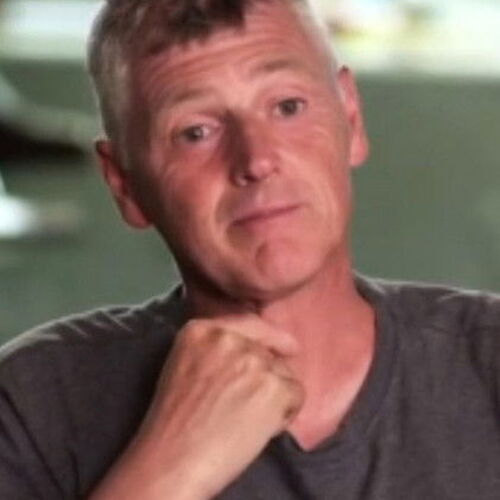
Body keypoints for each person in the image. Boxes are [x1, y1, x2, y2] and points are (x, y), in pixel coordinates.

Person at [1, 0, 500, 498]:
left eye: (288, 107)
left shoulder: (486, 360)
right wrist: (168, 470)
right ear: (124, 184)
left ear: (351, 116)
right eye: (196, 132)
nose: (256, 159)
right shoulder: (34, 406)